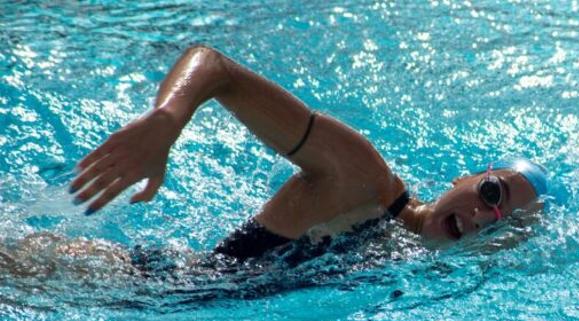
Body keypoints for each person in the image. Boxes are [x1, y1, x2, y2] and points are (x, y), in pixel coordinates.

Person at [66, 45, 548, 266]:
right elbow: (215, 68)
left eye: (503, 224)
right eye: (491, 193)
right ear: (467, 177)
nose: (485, 217)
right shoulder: (362, 178)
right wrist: (167, 120)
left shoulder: (405, 262)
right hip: (127, 286)